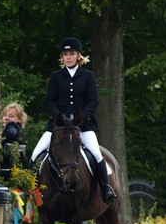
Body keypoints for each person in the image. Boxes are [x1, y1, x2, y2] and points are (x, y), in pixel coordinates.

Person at [29, 37, 116, 204]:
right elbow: (49, 101)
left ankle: (105, 188)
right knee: (34, 155)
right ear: (62, 57)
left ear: (78, 56)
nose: (68, 57)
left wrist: (82, 118)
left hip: (83, 126)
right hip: (59, 127)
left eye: (72, 54)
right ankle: (31, 191)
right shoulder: (55, 77)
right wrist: (58, 118)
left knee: (97, 154)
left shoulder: (88, 76)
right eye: (65, 54)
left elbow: (93, 101)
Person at [0, 102, 28, 175]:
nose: (7, 118)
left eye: (11, 116)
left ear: (20, 119)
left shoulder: (12, 126)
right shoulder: (21, 131)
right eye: (5, 115)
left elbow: (10, 133)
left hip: (6, 171)